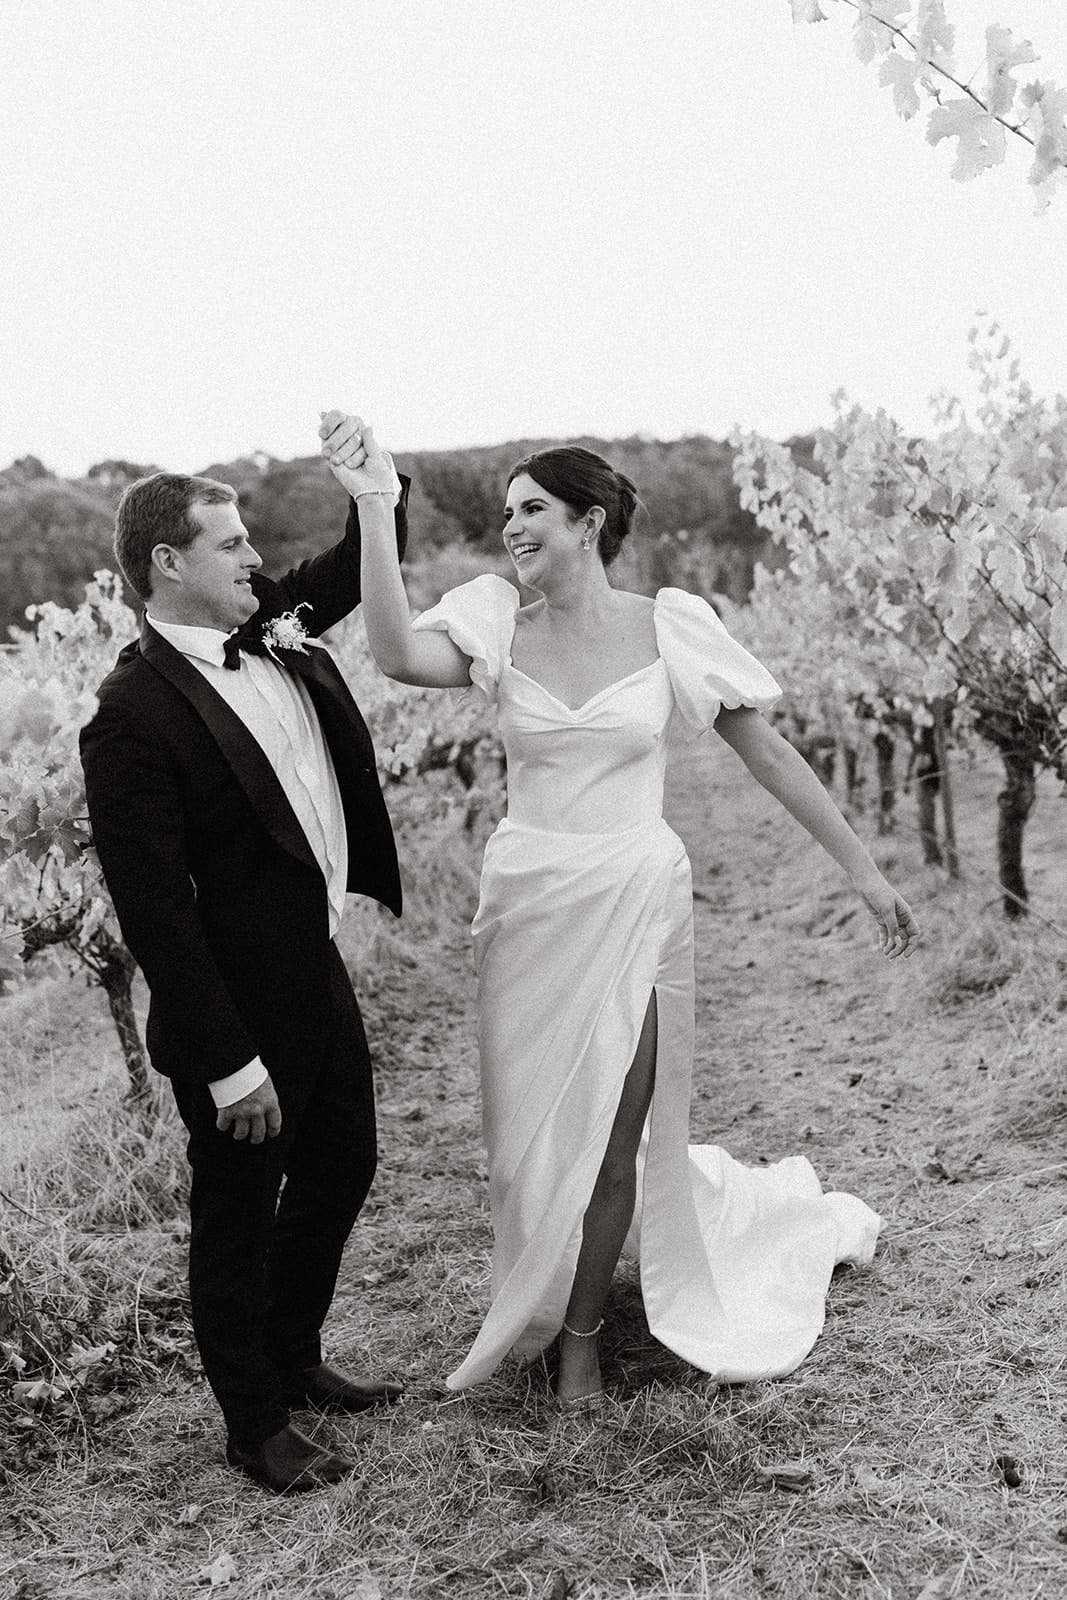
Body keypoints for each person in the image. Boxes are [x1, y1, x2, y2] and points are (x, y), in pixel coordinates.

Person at [319, 411, 919, 1409]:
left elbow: (767, 754)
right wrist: (376, 503)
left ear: (588, 522)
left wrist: (860, 869)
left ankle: (582, 1341)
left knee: (611, 1135)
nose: (512, 528)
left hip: (637, 898)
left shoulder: (667, 624)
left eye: (531, 510)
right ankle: (540, 1290)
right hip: (528, 905)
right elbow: (390, 652)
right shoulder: (496, 623)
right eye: (506, 513)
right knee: (522, 1147)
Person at [80, 454, 410, 1491]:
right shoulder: (129, 714)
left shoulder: (266, 619)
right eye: (230, 544)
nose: (254, 558)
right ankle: (253, 1424)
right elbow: (155, 914)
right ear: (168, 563)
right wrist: (227, 1063)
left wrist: (375, 487)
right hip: (230, 1007)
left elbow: (354, 567)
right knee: (235, 1213)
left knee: (344, 1164)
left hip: (314, 963)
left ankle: (292, 1353)